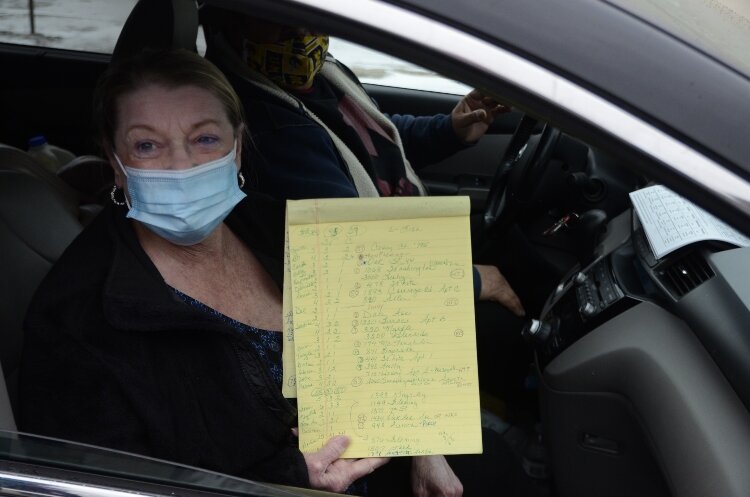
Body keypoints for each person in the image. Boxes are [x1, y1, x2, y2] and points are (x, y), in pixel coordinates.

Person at [18, 49, 528, 497]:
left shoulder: (274, 225)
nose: (181, 166)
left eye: (205, 139)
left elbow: (373, 329)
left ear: (238, 148)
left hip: (374, 456)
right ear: (114, 160)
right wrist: (285, 479)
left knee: (502, 470)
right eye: (147, 146)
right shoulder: (78, 320)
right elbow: (106, 486)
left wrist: (420, 439)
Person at [200, 9, 532, 404]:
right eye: (278, 18)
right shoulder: (267, 124)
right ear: (232, 23)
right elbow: (355, 258)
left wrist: (450, 130)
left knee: (508, 244)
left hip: (385, 237)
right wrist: (475, 280)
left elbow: (365, 137)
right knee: (505, 325)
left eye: (309, 16)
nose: (302, 33)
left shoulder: (311, 77)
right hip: (363, 287)